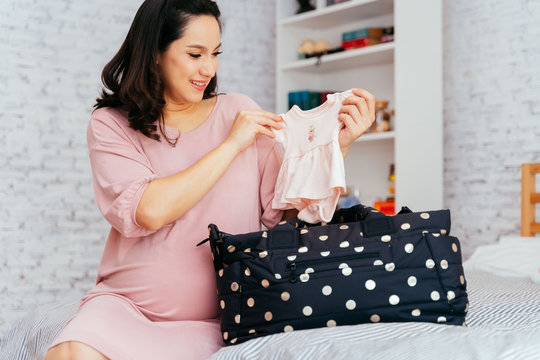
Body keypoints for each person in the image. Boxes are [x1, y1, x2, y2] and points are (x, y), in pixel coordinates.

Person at [45, 0, 375, 359]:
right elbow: (149, 210)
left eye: (215, 53)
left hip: (225, 315)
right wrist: (231, 145)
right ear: (155, 52)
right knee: (70, 352)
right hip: (128, 307)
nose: (208, 68)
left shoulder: (237, 110)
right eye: (195, 53)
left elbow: (287, 221)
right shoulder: (111, 124)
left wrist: (337, 148)